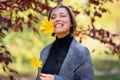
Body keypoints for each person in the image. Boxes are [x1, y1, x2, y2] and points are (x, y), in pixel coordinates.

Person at [36, 5, 94, 80]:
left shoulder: (81, 52)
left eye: (62, 16)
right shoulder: (44, 52)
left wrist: (56, 79)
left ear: (71, 23)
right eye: (53, 17)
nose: (57, 19)